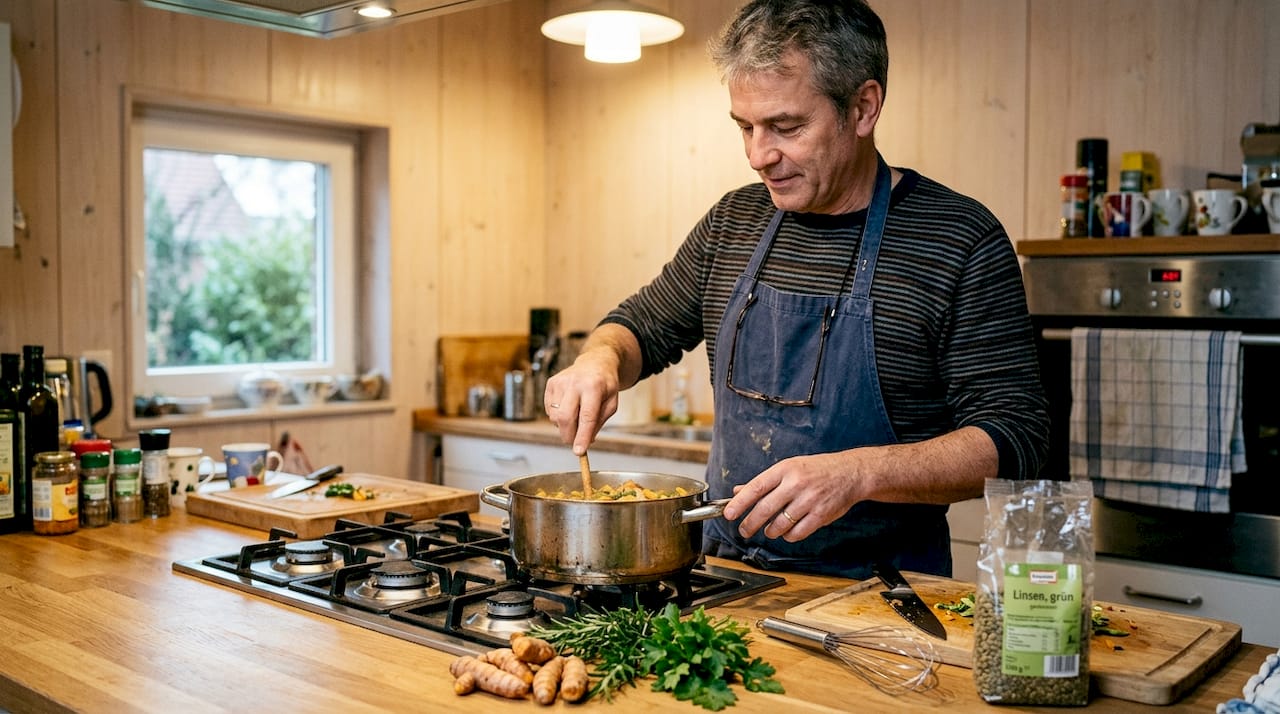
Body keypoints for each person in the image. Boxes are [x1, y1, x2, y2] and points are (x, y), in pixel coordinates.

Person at [543, 0, 1049, 580]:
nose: (760, 156)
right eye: (745, 128)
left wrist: (859, 474)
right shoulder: (734, 222)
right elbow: (642, 326)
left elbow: (1016, 439)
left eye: (786, 127)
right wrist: (599, 360)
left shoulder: (957, 239)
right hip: (725, 581)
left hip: (883, 599)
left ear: (863, 107)